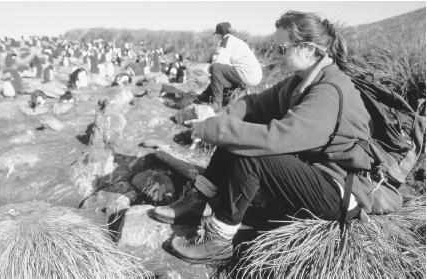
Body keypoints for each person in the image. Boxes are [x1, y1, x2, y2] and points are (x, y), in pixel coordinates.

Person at [152, 11, 372, 263]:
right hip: (312, 172)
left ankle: (219, 240)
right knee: (242, 127)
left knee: (254, 153)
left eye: (281, 47)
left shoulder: (329, 91)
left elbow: (274, 139)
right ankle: (199, 200)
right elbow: (254, 104)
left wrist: (218, 130)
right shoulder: (299, 81)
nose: (275, 53)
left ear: (308, 49)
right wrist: (215, 119)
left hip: (339, 192)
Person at [197, 22, 262, 110]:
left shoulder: (226, 40)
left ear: (220, 34)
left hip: (247, 75)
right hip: (252, 75)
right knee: (219, 72)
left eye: (217, 35)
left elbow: (218, 62)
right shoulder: (236, 41)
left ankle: (216, 104)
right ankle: (205, 96)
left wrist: (209, 71)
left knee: (215, 69)